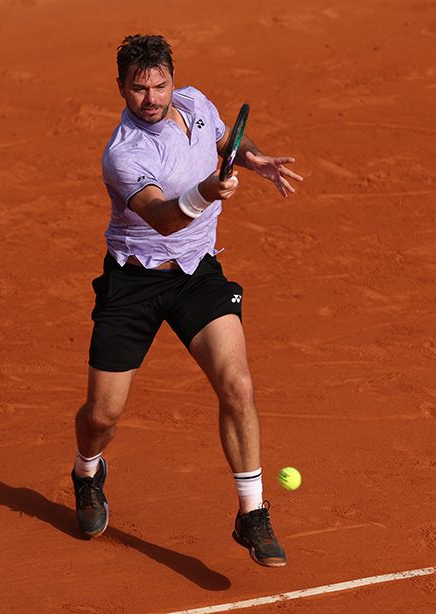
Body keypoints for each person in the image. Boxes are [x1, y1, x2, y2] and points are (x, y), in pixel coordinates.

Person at [70, 34, 303, 568]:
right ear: (121, 88)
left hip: (198, 274)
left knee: (238, 384)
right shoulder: (124, 153)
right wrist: (207, 192)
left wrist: (253, 158)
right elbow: (164, 218)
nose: (151, 98)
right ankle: (87, 471)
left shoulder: (196, 103)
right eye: (138, 89)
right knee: (102, 416)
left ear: (173, 80)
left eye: (160, 86)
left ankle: (251, 512)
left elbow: (225, 141)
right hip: (134, 283)